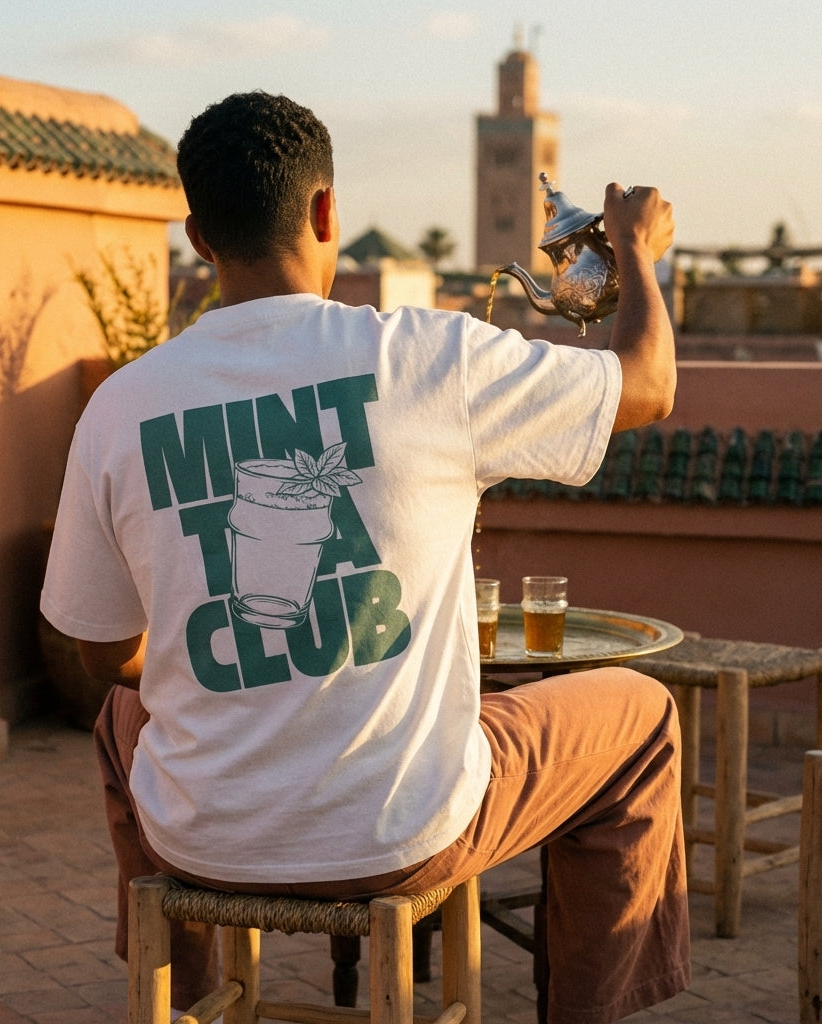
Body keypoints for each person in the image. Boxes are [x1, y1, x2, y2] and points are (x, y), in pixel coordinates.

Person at [41, 91, 690, 1024]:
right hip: (404, 834)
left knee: (121, 721)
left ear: (198, 237)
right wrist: (635, 248)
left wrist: (209, 681)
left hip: (199, 844)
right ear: (325, 212)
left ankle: (177, 997)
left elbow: (99, 655)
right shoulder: (432, 359)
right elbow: (650, 384)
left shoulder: (119, 407)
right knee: (642, 715)